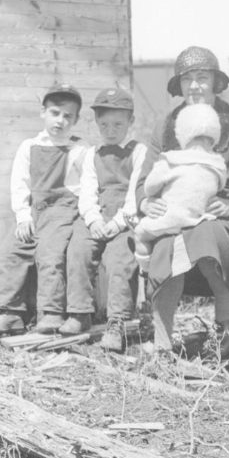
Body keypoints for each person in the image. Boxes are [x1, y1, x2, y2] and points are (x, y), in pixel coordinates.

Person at [140, 47, 229, 364]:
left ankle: (226, 323)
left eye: (202, 78)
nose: (195, 86)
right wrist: (147, 202)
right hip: (177, 217)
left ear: (215, 82)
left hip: (222, 219)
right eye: (187, 80)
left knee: (207, 232)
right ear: (179, 86)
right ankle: (162, 344)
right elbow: (145, 178)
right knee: (165, 245)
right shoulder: (166, 126)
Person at [0, 86, 88, 338]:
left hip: (63, 211)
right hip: (35, 210)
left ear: (76, 120)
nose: (60, 121)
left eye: (67, 116)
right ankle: (11, 312)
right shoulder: (29, 146)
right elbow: (19, 184)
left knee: (49, 254)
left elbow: (87, 185)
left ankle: (51, 312)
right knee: (12, 251)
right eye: (55, 113)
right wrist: (23, 216)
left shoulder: (79, 149)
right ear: (43, 112)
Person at [65, 88, 153, 353]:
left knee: (120, 260)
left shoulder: (138, 151)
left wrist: (117, 224)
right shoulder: (93, 154)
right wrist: (92, 220)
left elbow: (135, 192)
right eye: (104, 124)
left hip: (126, 218)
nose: (111, 130)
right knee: (78, 248)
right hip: (98, 215)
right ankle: (80, 312)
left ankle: (117, 322)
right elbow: (87, 191)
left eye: (118, 124)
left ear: (131, 123)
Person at [133, 104, 227, 255]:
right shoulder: (218, 164)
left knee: (139, 234)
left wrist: (153, 195)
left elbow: (149, 187)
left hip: (170, 218)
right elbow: (221, 186)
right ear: (212, 140)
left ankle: (145, 270)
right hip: (200, 219)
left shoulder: (170, 159)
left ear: (182, 136)